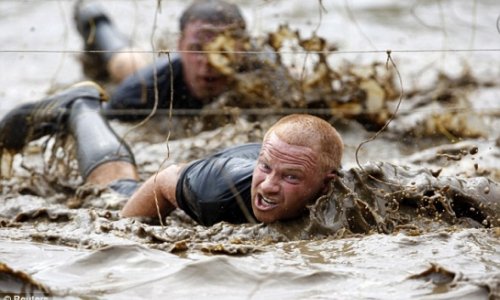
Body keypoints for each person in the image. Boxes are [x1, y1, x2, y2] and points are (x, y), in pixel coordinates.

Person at [0, 82, 344, 225]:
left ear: (327, 184)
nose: (268, 186)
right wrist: (124, 232)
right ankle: (80, 108)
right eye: (266, 169)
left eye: (291, 177)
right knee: (112, 188)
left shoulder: (352, 196)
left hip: (269, 156)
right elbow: (164, 180)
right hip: (196, 176)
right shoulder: (218, 193)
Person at [74, 0, 248, 121]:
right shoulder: (144, 87)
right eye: (197, 49)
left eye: (223, 51)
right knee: (127, 64)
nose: (209, 62)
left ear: (244, 48)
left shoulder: (262, 75)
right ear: (179, 46)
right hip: (145, 72)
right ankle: (96, 20)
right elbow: (100, 120)